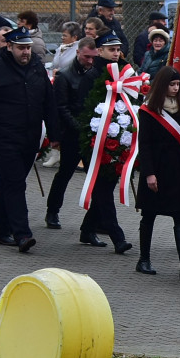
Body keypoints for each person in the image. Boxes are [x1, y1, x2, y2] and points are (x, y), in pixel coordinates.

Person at [0, 27, 60, 253]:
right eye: (21, 48)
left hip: (29, 137)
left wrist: (55, 135)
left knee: (7, 181)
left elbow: (49, 104)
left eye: (28, 48)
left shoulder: (37, 68)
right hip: (4, 136)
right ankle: (22, 233)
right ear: (9, 47)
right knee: (16, 183)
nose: (26, 52)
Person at [136, 67, 180, 281]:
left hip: (178, 171)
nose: (175, 89)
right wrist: (149, 173)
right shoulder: (147, 110)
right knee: (149, 215)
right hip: (157, 170)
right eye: (172, 85)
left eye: (178, 85)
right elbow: (144, 144)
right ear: (162, 85)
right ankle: (143, 259)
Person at [76, 31, 133, 255]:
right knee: (103, 188)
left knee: (105, 187)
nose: (116, 53)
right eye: (111, 49)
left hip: (118, 140)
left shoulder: (123, 73)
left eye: (118, 49)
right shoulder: (92, 77)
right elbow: (83, 109)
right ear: (99, 51)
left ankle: (87, 229)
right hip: (95, 141)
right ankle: (117, 237)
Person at [45, 37, 99, 230]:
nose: (90, 61)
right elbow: (61, 107)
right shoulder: (65, 76)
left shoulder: (94, 74)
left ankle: (97, 216)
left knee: (95, 176)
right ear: (78, 53)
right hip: (72, 133)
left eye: (94, 57)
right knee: (65, 173)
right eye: (87, 57)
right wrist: (77, 127)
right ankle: (53, 210)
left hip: (91, 132)